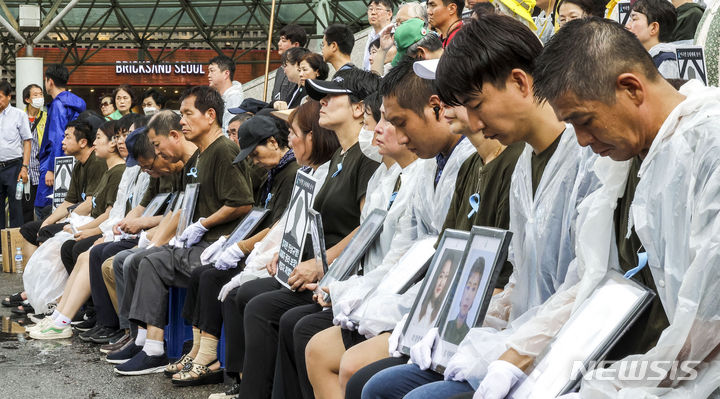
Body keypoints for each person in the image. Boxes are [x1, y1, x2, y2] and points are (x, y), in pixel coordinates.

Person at [467, 17, 720, 398]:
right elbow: (590, 280)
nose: (583, 141)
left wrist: (615, 383)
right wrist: (518, 354)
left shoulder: (707, 148)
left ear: (631, 88)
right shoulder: (624, 161)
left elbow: (709, 323)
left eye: (584, 121)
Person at [357, 14, 599, 398]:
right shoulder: (523, 166)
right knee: (379, 386)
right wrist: (453, 327)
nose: (473, 120)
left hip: (566, 353)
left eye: (475, 103)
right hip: (524, 338)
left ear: (519, 81)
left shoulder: (585, 154)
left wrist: (513, 353)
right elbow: (522, 279)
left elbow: (588, 283)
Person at [218, 68, 380, 399]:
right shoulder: (340, 155)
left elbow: (367, 228)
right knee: (261, 304)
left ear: (359, 108)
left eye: (330, 96)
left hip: (342, 276)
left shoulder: (366, 158)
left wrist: (322, 264)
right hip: (321, 272)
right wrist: (291, 254)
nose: (321, 102)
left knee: (276, 313)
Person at [114, 86, 254, 376]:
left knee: (152, 261)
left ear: (210, 115)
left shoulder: (224, 150)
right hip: (198, 243)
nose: (183, 121)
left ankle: (154, 349)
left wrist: (203, 224)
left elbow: (242, 204)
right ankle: (141, 339)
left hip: (216, 246)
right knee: (142, 258)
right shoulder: (202, 155)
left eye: (188, 114)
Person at [205, 99, 339, 399]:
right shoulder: (299, 171)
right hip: (300, 262)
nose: (290, 140)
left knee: (258, 303)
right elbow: (288, 224)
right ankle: (241, 380)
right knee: (234, 289)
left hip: (329, 273)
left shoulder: (298, 171)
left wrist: (247, 250)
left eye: (294, 133)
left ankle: (249, 386)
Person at [167, 115, 300, 386]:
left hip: (268, 253)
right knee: (201, 273)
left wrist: (241, 247)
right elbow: (258, 216)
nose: (253, 161)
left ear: (274, 142)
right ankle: (197, 350)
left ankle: (212, 360)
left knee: (214, 279)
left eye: (255, 153)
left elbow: (279, 225)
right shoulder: (273, 174)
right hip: (255, 247)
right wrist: (229, 240)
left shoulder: (292, 173)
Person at [105, 110, 199, 363]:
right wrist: (140, 229)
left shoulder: (201, 159)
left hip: (196, 243)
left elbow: (184, 212)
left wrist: (153, 240)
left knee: (140, 260)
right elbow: (173, 209)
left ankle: (154, 348)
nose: (156, 160)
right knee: (119, 259)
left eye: (157, 149)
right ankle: (138, 337)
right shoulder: (182, 163)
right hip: (176, 237)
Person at [28, 119, 127, 339]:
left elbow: (111, 213)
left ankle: (83, 316)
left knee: (83, 250)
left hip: (116, 231)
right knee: (72, 247)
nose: (95, 143)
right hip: (107, 228)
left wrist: (90, 231)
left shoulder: (119, 171)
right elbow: (97, 207)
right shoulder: (113, 171)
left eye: (99, 138)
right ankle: (62, 314)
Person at [36, 64, 86, 215]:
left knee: (43, 208)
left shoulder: (58, 105)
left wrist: (52, 169)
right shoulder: (76, 102)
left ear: (49, 81)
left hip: (55, 162)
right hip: (73, 160)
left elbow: (57, 138)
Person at [0, 81, 31, 230]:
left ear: (8, 97)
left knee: (16, 208)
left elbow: (27, 141)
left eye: (0, 97)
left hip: (14, 166)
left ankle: (16, 247)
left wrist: (24, 167)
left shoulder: (19, 115)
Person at [626, 0, 680, 79]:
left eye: (634, 19)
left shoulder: (666, 62)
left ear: (654, 28)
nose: (627, 25)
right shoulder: (641, 58)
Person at [441, 256, 484, 345]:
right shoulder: (444, 326)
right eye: (468, 287)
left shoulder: (471, 335)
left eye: (474, 289)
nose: (468, 296)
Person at [22, 84, 46, 223]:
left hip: (41, 170)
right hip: (24, 171)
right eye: (35, 95)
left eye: (41, 94)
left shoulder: (46, 117)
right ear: (27, 99)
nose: (40, 97)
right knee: (25, 209)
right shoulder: (20, 117)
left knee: (43, 209)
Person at [207, 55, 245, 134]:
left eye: (212, 71)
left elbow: (229, 131)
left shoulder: (234, 97)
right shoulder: (220, 97)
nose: (209, 75)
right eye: (209, 71)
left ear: (226, 73)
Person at [272, 24, 308, 104]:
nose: (279, 43)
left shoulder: (303, 69)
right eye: (280, 40)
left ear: (296, 45)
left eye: (283, 41)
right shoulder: (280, 70)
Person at [364, 0, 394, 71]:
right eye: (370, 9)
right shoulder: (371, 35)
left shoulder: (394, 36)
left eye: (378, 9)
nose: (373, 12)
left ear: (389, 14)